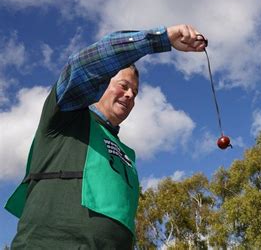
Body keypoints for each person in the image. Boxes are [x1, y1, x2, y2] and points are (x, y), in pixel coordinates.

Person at [5, 24, 207, 249]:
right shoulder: (67, 116)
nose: (130, 94)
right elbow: (87, 64)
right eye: (124, 85)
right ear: (100, 83)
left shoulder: (127, 155)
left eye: (135, 92)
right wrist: (162, 39)